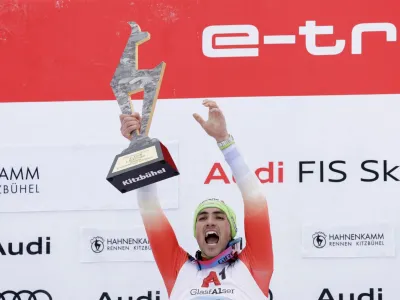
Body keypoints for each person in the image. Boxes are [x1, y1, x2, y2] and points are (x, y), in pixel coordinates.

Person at [119, 100, 274, 299]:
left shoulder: (253, 266)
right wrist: (139, 146)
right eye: (202, 218)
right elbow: (149, 207)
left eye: (219, 217)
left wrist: (224, 141)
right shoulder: (178, 269)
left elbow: (255, 199)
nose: (209, 221)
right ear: (196, 232)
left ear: (232, 230)